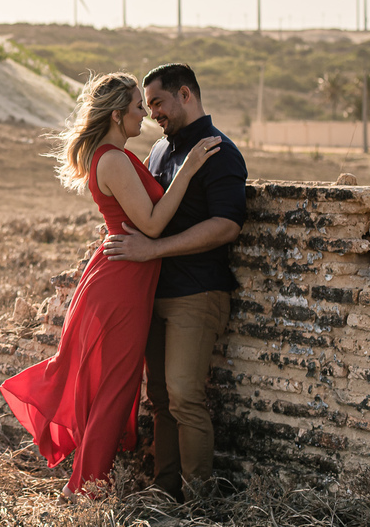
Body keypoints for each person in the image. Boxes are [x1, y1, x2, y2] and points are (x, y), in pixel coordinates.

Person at [0, 71, 222, 501]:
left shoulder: (119, 155)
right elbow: (154, 225)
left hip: (126, 278)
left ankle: (85, 484)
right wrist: (190, 168)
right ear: (119, 115)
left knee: (115, 387)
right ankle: (84, 490)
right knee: (116, 389)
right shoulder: (115, 160)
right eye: (140, 107)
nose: (147, 115)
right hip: (122, 282)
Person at [102, 63, 247, 502]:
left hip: (197, 293)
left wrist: (154, 251)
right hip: (153, 294)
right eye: (146, 107)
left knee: (184, 396)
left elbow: (226, 226)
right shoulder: (160, 153)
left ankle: (199, 500)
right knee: (161, 400)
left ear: (186, 94)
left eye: (159, 103)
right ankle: (165, 493)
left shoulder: (221, 153)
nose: (152, 114)